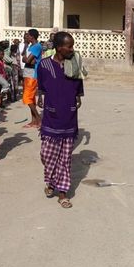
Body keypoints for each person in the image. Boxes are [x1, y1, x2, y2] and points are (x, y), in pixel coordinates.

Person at [37, 32, 83, 209]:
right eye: (68, 46)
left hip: (69, 117)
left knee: (65, 158)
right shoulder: (44, 65)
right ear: (58, 47)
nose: (72, 49)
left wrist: (78, 97)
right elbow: (41, 85)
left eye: (72, 45)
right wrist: (40, 96)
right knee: (47, 155)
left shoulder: (75, 63)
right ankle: (50, 181)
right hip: (51, 116)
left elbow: (79, 84)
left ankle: (62, 193)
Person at [22, 29, 42, 128]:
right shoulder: (31, 46)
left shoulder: (37, 47)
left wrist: (27, 59)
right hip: (28, 73)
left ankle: (38, 119)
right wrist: (26, 59)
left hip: (32, 74)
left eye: (28, 36)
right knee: (31, 98)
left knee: (26, 97)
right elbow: (24, 58)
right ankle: (34, 121)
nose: (27, 37)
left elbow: (27, 60)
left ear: (32, 36)